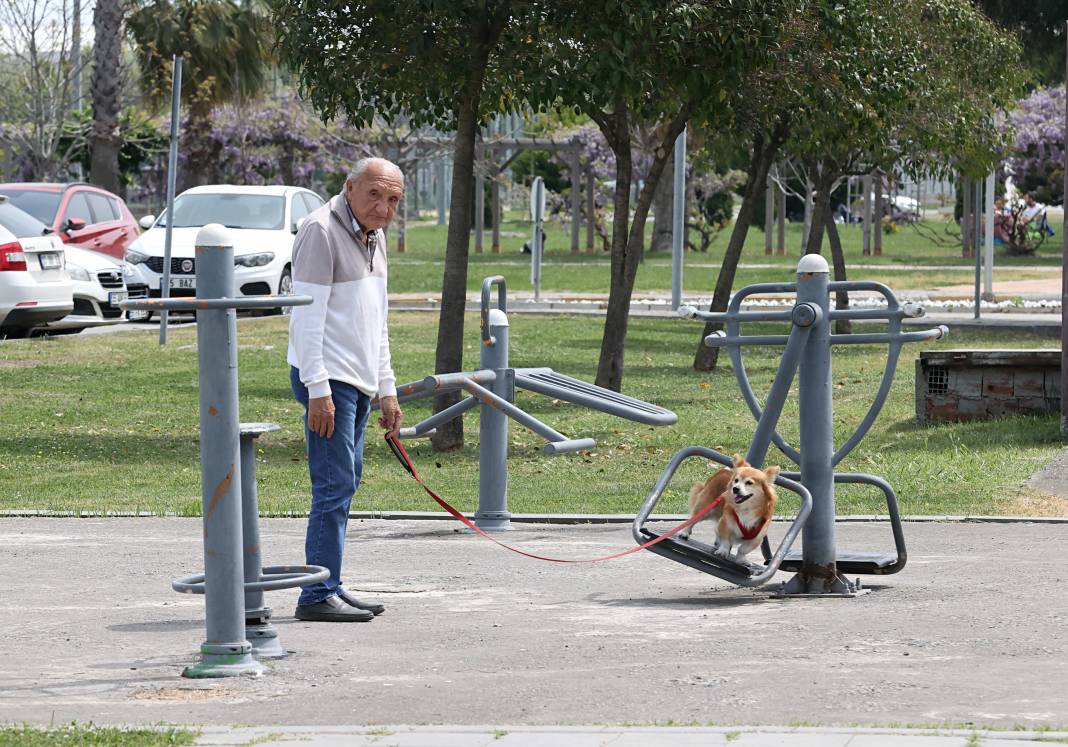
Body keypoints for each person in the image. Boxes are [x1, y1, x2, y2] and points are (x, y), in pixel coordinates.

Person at [287, 157, 405, 622]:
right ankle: (316, 595)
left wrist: (388, 389)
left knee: (345, 483)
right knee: (334, 487)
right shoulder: (320, 231)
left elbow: (376, 325)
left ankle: (328, 582)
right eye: (375, 194)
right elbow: (307, 318)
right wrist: (318, 388)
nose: (383, 206)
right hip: (328, 380)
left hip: (356, 380)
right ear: (350, 187)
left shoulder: (373, 239)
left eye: (393, 199)